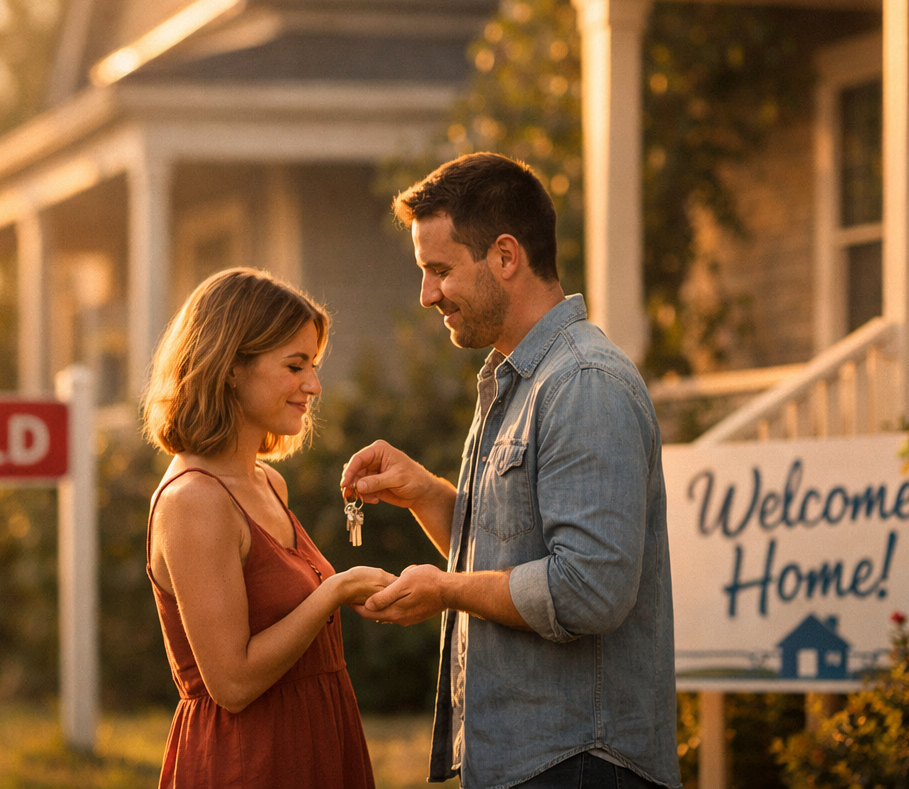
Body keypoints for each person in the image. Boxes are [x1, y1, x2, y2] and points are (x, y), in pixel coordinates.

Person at [340, 153, 679, 788]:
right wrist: (426, 493)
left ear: (504, 256)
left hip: (579, 765)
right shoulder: (519, 378)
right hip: (532, 760)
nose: (427, 295)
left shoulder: (582, 382)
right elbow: (511, 556)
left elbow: (588, 590)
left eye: (440, 270)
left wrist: (444, 590)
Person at [143, 267, 394, 789]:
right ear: (231, 367)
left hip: (316, 743)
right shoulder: (195, 501)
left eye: (313, 367)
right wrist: (335, 590)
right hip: (248, 762)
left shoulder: (268, 483)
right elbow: (232, 684)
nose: (313, 385)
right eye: (295, 366)